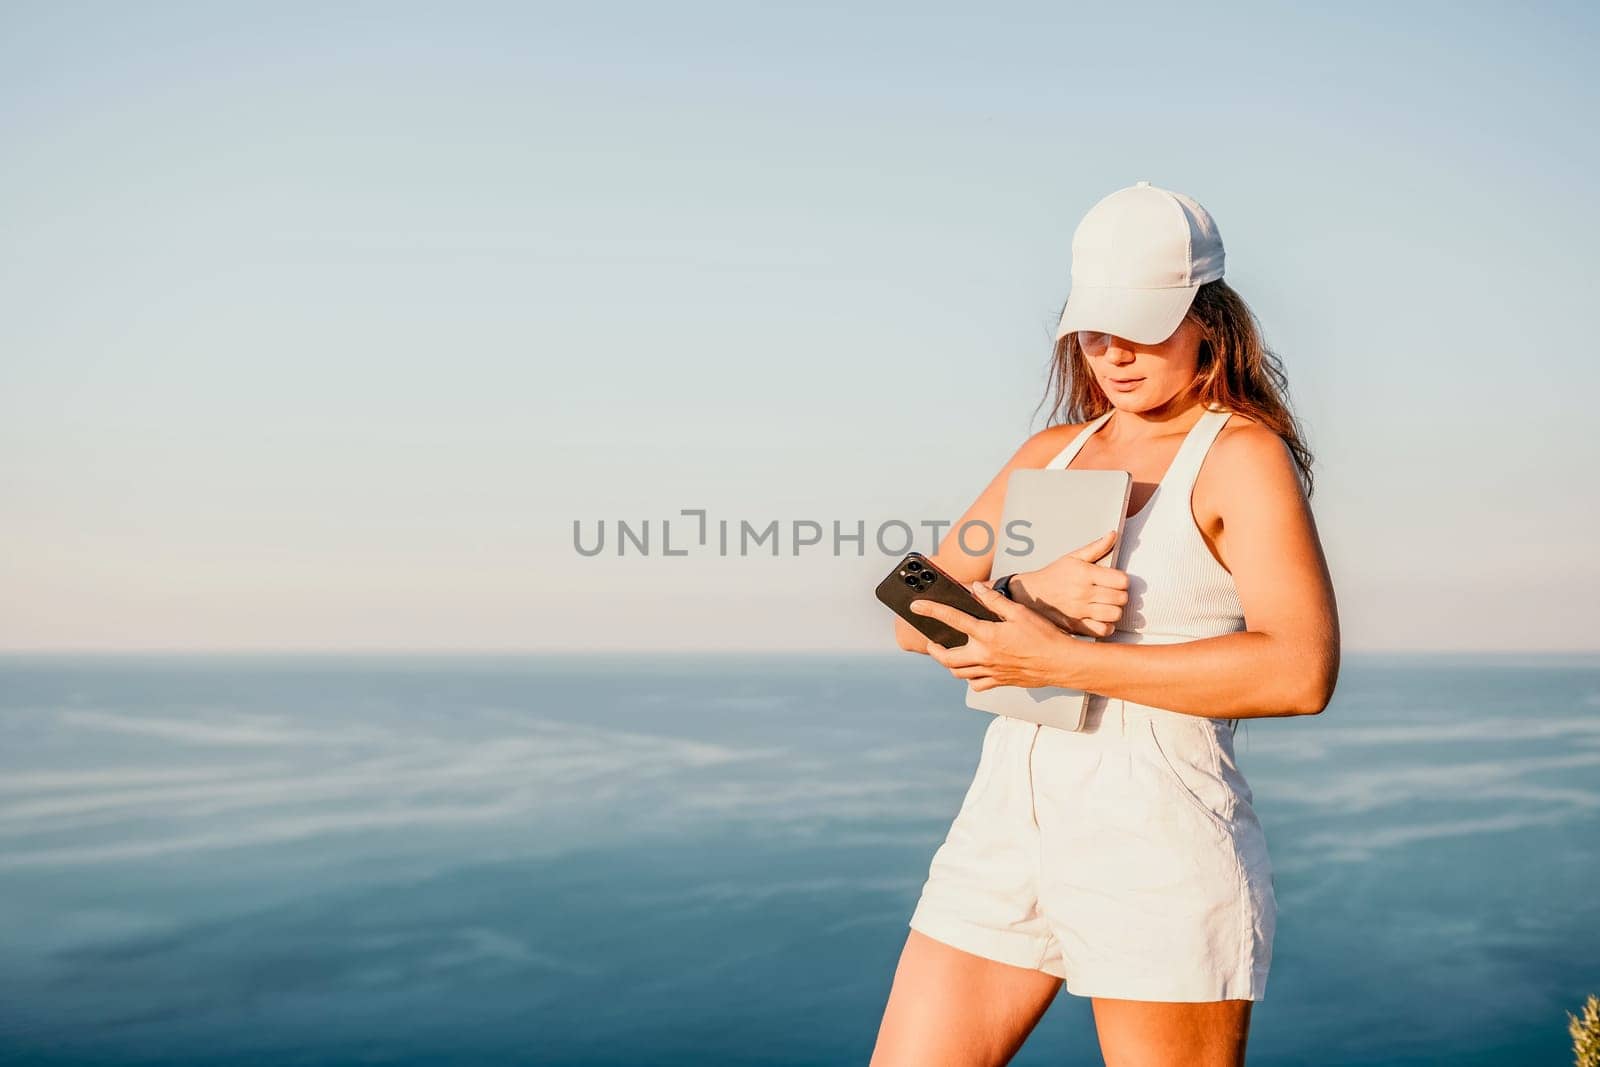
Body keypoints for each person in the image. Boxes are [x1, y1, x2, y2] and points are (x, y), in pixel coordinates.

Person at [870, 180, 1340, 1067]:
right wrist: (1026, 591)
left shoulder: (1241, 457)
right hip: (1004, 825)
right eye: (1093, 330)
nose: (1114, 353)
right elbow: (910, 600)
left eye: (1142, 324)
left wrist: (1057, 658)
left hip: (1157, 839)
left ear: (1209, 316)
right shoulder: (1053, 453)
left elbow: (1300, 669)